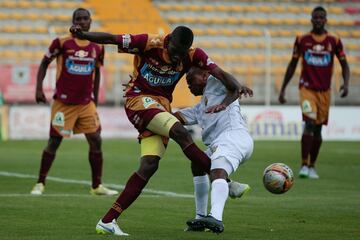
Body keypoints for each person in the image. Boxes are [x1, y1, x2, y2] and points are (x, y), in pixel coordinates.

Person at [70, 25, 253, 235]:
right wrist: (84, 35)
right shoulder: (149, 43)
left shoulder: (194, 55)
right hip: (139, 100)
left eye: (182, 53)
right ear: (168, 41)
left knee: (149, 165)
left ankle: (107, 221)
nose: (178, 57)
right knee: (181, 133)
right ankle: (226, 183)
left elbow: (220, 74)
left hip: (161, 106)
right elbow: (112, 38)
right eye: (175, 51)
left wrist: (238, 87)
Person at [30, 8, 118, 196]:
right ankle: (40, 183)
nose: (82, 22)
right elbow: (45, 62)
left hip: (86, 104)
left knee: (96, 140)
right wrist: (38, 88)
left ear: (90, 21)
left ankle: (96, 186)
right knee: (54, 141)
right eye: (78, 19)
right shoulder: (61, 42)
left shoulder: (97, 46)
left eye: (85, 19)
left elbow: (97, 72)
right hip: (63, 103)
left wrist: (94, 97)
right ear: (73, 21)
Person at [173, 67, 253, 233]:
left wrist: (236, 89)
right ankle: (201, 218)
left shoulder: (215, 84)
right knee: (197, 164)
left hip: (233, 138)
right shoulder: (200, 107)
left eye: (190, 80)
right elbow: (176, 118)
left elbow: (231, 84)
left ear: (204, 76)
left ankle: (216, 217)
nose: (188, 85)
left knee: (217, 172)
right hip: (221, 143)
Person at [278, 6, 350, 179]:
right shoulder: (302, 40)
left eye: (321, 17)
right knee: (309, 123)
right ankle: (303, 165)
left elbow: (344, 64)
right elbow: (292, 64)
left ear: (326, 20)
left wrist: (346, 84)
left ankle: (312, 166)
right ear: (311, 20)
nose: (318, 20)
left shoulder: (334, 40)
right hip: (307, 89)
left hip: (324, 91)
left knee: (318, 129)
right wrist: (282, 89)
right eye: (315, 17)